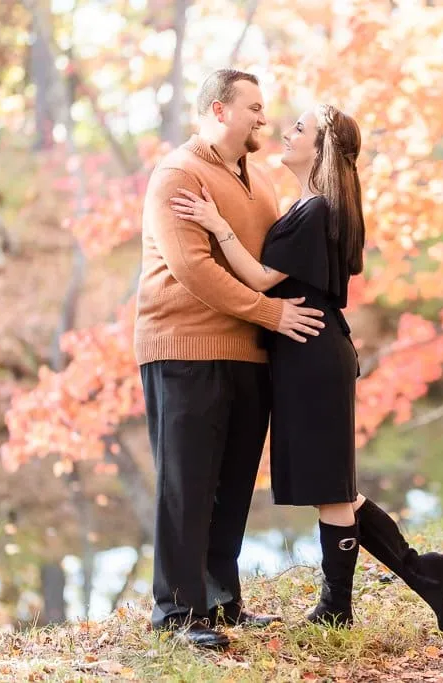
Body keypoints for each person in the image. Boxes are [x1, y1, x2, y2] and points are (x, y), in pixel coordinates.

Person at [171, 104, 443, 631]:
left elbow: (258, 280)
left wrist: (214, 223)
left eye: (300, 129)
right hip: (305, 353)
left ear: (321, 148)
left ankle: (339, 608)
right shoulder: (307, 205)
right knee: (331, 483)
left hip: (312, 355)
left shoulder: (317, 209)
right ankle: (419, 574)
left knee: (330, 485)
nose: (285, 132)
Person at [134, 69, 327, 649]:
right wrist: (272, 316)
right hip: (184, 349)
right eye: (254, 108)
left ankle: (221, 603)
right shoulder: (177, 175)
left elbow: (267, 260)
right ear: (220, 111)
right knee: (185, 484)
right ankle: (176, 614)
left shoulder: (261, 181)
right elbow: (194, 272)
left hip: (247, 353)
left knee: (233, 483)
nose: (263, 119)